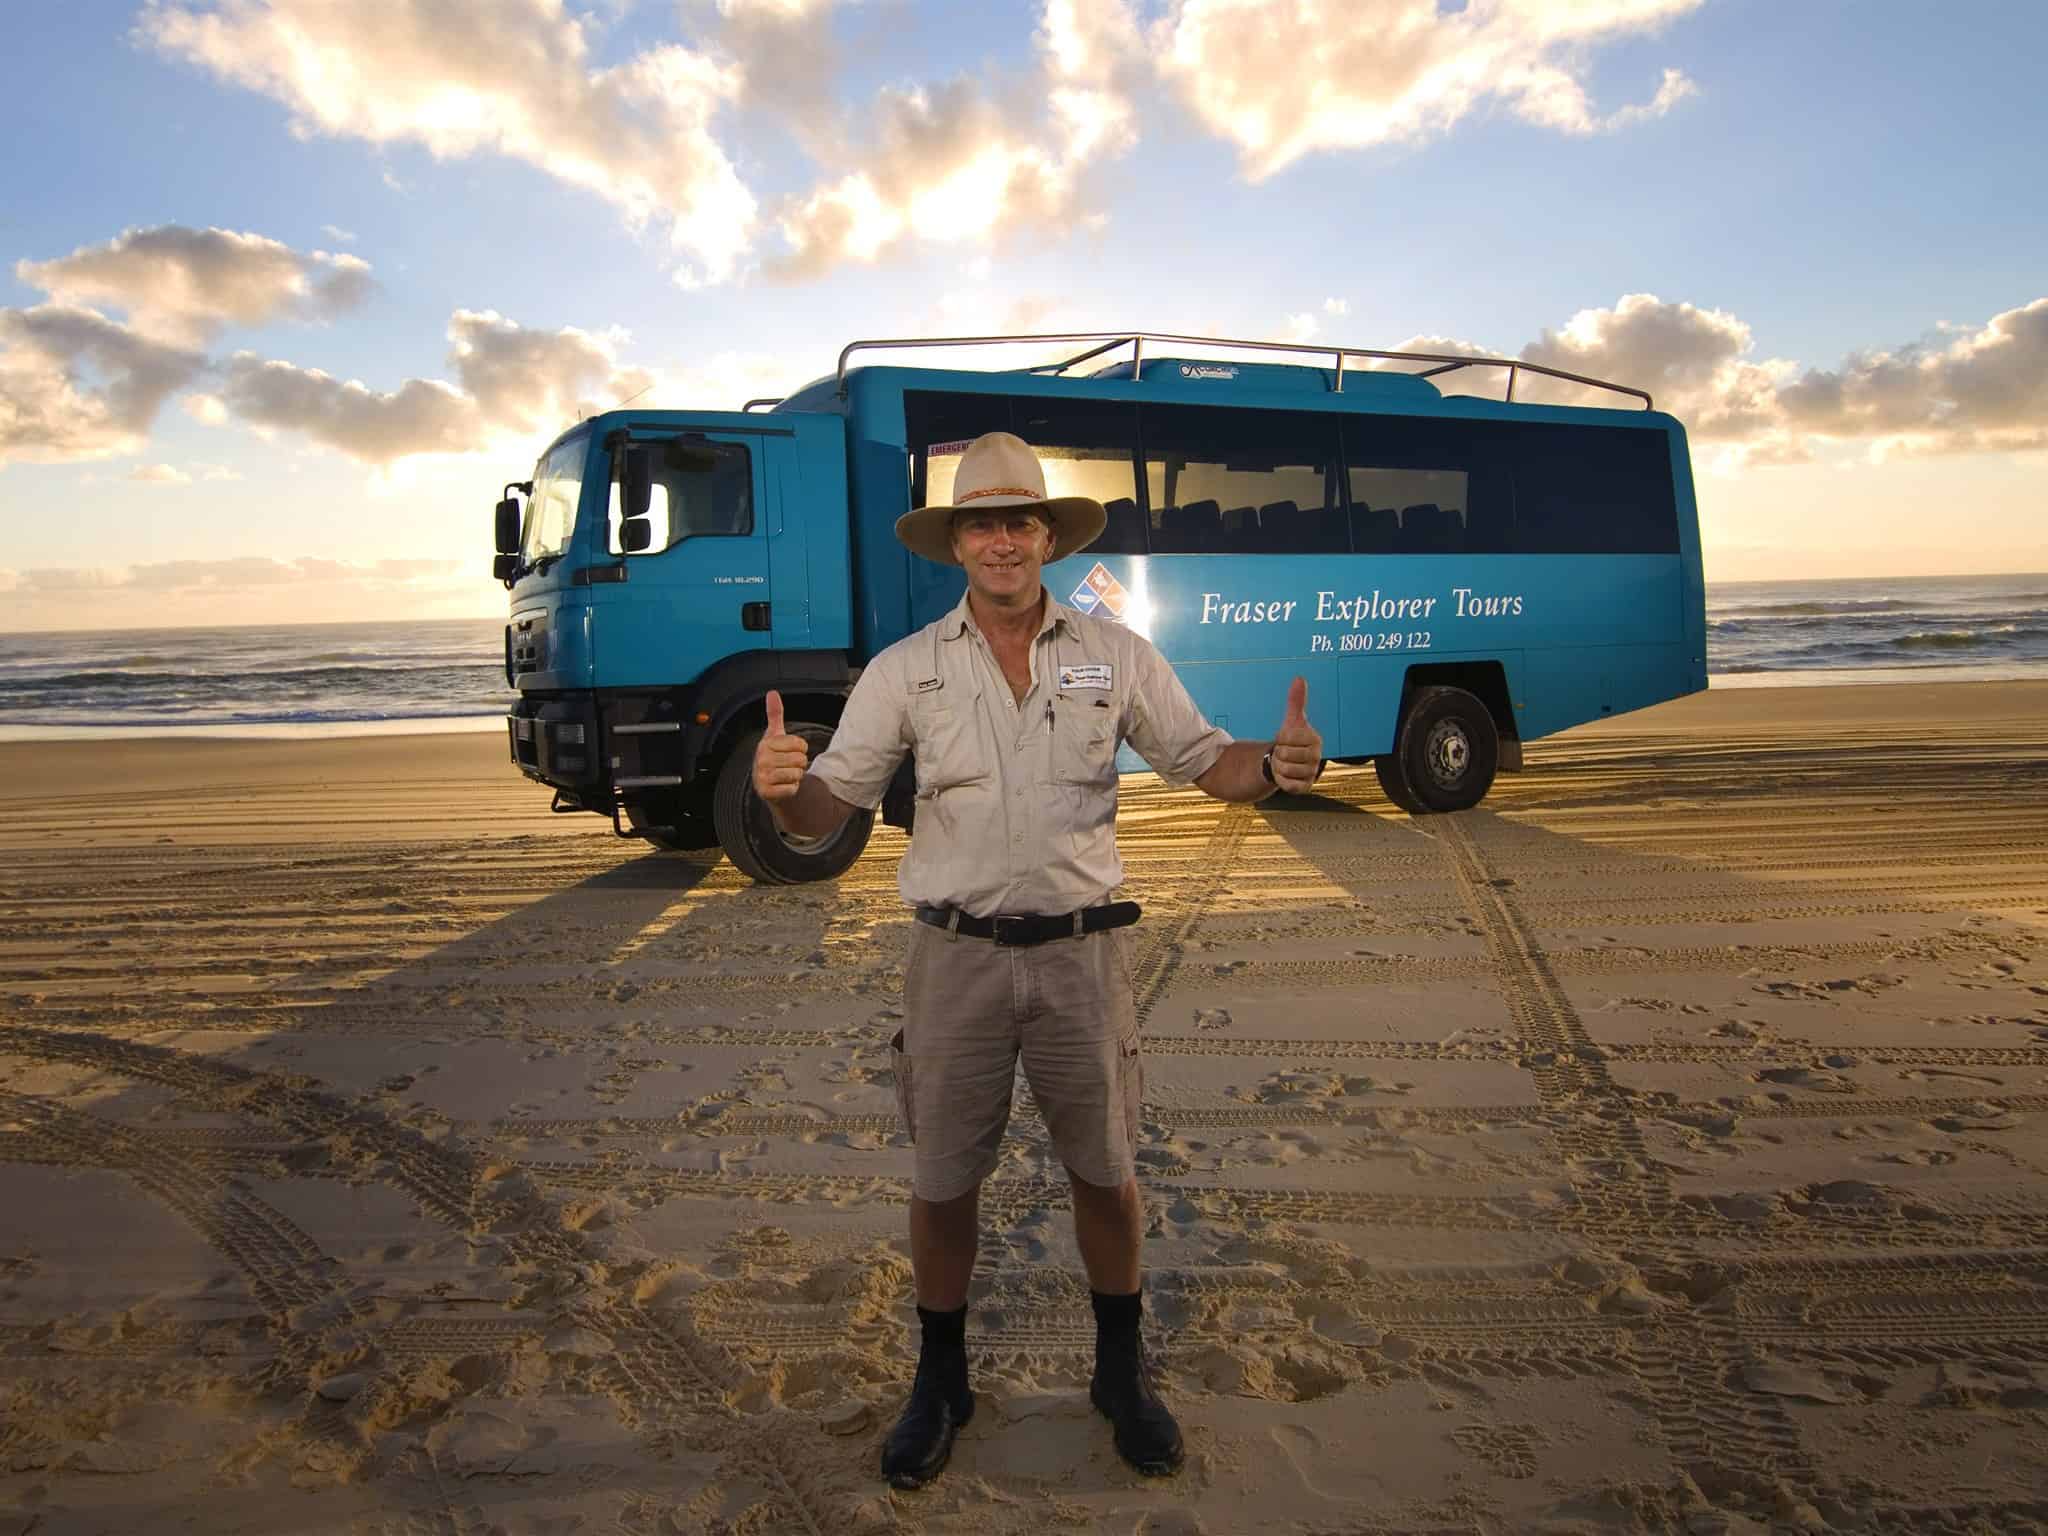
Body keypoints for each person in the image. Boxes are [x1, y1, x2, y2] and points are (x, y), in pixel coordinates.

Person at [751, 430, 1324, 1488]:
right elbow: (824, 806)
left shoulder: (1116, 655)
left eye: (1020, 519)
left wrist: (1280, 767)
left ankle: (1117, 1374)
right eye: (981, 521)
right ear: (955, 543)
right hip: (953, 960)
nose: (1002, 540)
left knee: (1103, 1175)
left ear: (1047, 536)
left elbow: (1209, 764)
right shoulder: (906, 669)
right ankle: (940, 1381)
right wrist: (785, 791)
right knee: (941, 1184)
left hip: (1079, 959)